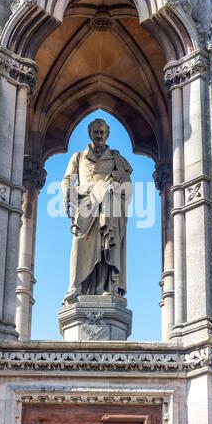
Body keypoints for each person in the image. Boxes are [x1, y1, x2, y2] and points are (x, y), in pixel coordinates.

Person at [61, 119, 133, 303]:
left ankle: (106, 287)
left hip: (109, 207)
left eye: (102, 132)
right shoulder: (79, 157)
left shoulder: (116, 158)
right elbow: (68, 180)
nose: (99, 135)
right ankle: (76, 287)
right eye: (96, 132)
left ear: (107, 134)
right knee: (80, 242)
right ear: (90, 134)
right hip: (85, 204)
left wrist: (114, 180)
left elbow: (127, 184)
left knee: (106, 246)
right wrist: (67, 195)